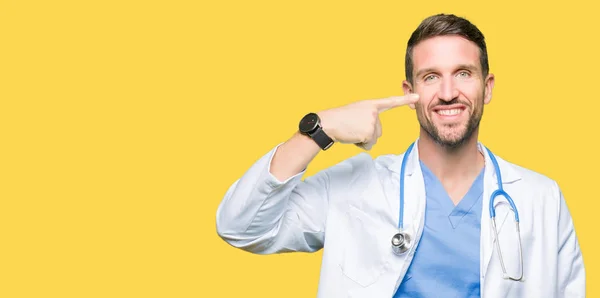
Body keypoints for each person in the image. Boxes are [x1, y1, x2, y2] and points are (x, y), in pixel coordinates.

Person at [215, 13, 585, 298]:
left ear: (487, 87)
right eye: (430, 77)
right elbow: (240, 226)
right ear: (409, 92)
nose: (448, 92)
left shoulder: (541, 198)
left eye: (463, 73)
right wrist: (319, 129)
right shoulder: (355, 187)